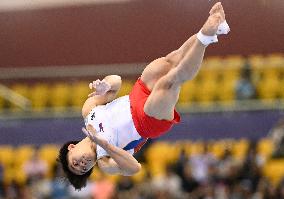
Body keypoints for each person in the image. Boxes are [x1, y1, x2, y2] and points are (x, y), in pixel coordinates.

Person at [58, 2, 230, 190]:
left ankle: (217, 28)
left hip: (136, 95)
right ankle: (206, 35)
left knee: (171, 59)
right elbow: (134, 168)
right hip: (147, 121)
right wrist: (106, 146)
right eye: (84, 170)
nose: (82, 165)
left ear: (71, 148)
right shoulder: (105, 161)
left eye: (75, 163)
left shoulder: (87, 111)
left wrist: (105, 85)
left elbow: (117, 80)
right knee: (170, 81)